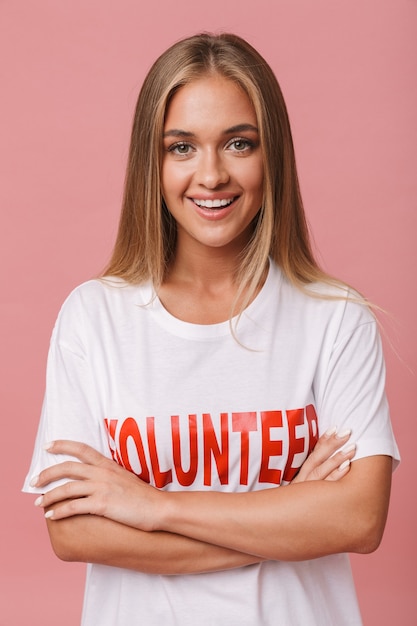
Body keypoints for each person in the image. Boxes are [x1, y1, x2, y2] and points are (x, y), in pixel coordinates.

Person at [23, 32, 399, 625]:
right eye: (182, 148)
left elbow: (357, 520)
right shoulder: (93, 317)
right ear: (153, 161)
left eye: (238, 143)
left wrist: (151, 506)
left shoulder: (336, 318)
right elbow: (75, 534)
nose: (212, 174)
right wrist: (286, 514)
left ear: (271, 152)